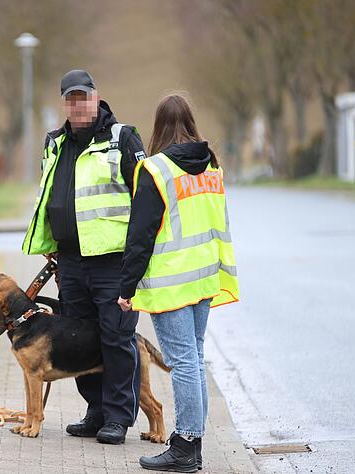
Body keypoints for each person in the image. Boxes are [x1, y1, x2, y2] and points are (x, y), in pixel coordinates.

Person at [21, 69, 147, 444]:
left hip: (113, 262)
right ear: (64, 103)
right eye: (71, 99)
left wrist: (138, 259)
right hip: (71, 263)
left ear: (96, 97)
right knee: (78, 339)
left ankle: (118, 418)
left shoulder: (122, 138)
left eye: (84, 97)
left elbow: (145, 198)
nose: (78, 105)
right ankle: (95, 411)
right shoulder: (54, 142)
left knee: (116, 338)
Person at [117, 94, 239, 472]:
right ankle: (192, 443)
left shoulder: (156, 170)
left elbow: (140, 236)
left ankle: (186, 445)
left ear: (158, 126)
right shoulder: (211, 165)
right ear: (191, 122)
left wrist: (126, 287)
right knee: (194, 360)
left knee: (184, 362)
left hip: (172, 283)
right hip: (204, 277)